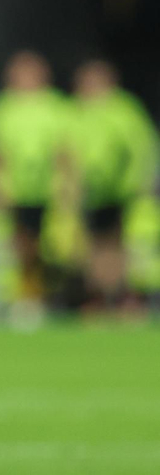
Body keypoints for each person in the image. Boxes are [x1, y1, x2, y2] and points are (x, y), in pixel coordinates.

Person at [0, 51, 72, 317]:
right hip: (14, 190)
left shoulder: (56, 106)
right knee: (19, 245)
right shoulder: (1, 107)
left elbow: (66, 151)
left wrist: (68, 186)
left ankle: (50, 297)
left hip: (48, 190)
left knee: (54, 248)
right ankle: (25, 298)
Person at [68, 60, 158, 310]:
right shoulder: (75, 111)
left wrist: (143, 181)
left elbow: (142, 147)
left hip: (127, 192)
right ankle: (100, 298)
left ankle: (128, 299)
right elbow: (65, 152)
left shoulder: (125, 109)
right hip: (91, 194)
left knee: (130, 244)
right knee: (94, 247)